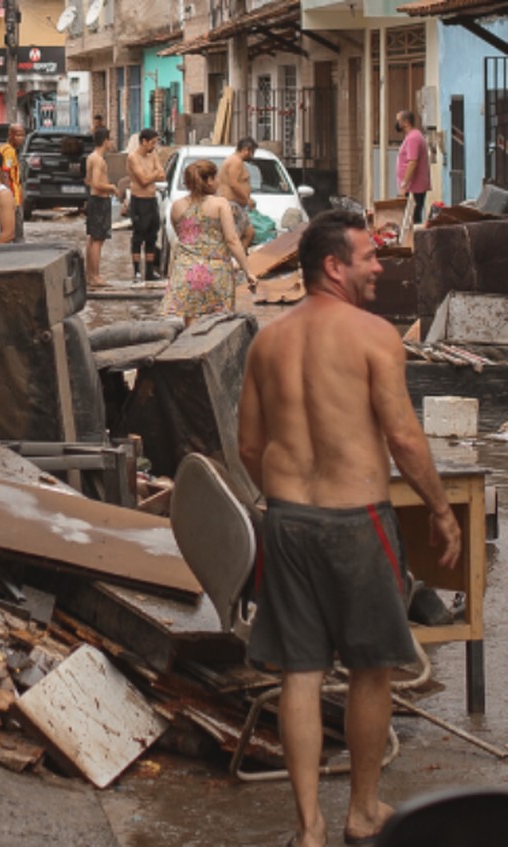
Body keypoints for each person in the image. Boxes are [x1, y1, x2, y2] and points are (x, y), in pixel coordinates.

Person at [237, 209, 462, 847]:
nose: (377, 266)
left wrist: (289, 497)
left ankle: (308, 829)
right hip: (357, 522)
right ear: (333, 266)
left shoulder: (267, 341)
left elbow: (250, 446)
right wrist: (442, 511)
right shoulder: (373, 336)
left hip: (286, 522)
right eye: (367, 257)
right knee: (370, 668)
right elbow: (403, 438)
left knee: (300, 674)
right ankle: (361, 812)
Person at [161, 159, 257, 324]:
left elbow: (183, 238)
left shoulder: (177, 206)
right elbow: (232, 240)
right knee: (218, 323)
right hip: (216, 272)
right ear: (209, 180)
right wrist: (248, 271)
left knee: (189, 325)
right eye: (216, 178)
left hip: (186, 271)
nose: (219, 181)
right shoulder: (220, 204)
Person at [126, 127, 166, 283]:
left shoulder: (153, 155)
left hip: (151, 199)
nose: (154, 146)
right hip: (138, 199)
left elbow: (162, 174)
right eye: (153, 143)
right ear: (144, 142)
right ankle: (136, 271)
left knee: (152, 235)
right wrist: (154, 174)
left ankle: (149, 270)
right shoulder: (133, 157)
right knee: (138, 236)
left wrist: (152, 175)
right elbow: (142, 180)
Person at [84, 126, 118, 286]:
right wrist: (111, 187)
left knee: (92, 239)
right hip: (99, 200)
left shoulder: (91, 157)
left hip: (93, 199)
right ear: (105, 141)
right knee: (98, 240)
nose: (111, 143)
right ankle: (95, 276)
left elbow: (87, 181)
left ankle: (89, 275)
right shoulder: (98, 159)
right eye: (109, 140)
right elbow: (96, 183)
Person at [218, 136, 258, 250]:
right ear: (246, 149)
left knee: (248, 232)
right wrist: (246, 199)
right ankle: (235, 258)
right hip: (232, 204)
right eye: (252, 152)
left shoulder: (234, 161)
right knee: (242, 234)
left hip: (236, 205)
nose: (252, 155)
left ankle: (237, 257)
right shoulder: (235, 161)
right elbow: (233, 183)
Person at [396, 110, 430, 224]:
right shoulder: (413, 136)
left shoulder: (413, 138)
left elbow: (412, 162)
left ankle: (414, 240)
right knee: (412, 218)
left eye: (398, 121)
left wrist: (404, 184)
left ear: (406, 122)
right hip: (413, 187)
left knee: (412, 219)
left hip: (413, 187)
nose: (397, 124)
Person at [0, 123, 26, 239]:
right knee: (17, 234)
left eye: (22, 135)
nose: (20, 138)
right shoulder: (9, 151)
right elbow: (5, 174)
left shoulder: (4, 148)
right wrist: (9, 199)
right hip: (13, 198)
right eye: (17, 135)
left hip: (14, 195)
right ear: (10, 135)